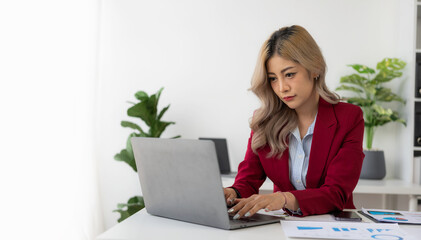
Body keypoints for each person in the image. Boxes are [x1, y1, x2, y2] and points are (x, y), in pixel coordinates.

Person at [224, 25, 364, 219]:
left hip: (334, 226)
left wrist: (283, 198)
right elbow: (247, 181)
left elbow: (336, 193)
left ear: (314, 68)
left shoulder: (349, 117)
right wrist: (232, 194)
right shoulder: (264, 121)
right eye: (273, 79)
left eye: (289, 74)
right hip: (283, 227)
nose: (282, 88)